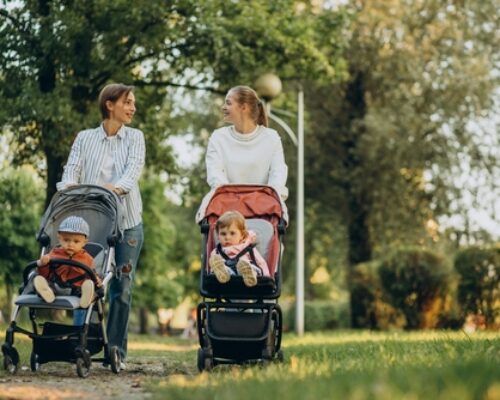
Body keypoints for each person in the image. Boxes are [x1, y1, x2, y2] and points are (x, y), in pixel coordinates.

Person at [57, 83, 145, 366]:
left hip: (128, 222)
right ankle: (81, 344)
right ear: (110, 104)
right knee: (84, 278)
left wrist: (111, 189)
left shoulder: (135, 138)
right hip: (93, 223)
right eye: (127, 102)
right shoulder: (85, 138)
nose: (132, 108)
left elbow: (132, 172)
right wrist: (70, 189)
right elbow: (71, 170)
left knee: (122, 285)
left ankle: (115, 350)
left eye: (133, 103)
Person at [205, 85, 288, 201]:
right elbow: (215, 174)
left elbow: (278, 174)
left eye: (228, 103)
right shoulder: (218, 137)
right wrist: (233, 199)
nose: (223, 107)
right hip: (227, 205)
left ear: (243, 107)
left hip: (263, 207)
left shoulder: (271, 138)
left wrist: (266, 200)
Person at [34, 216, 100, 308]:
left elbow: (93, 274)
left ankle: (86, 297)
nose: (70, 244)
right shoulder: (54, 254)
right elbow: (45, 274)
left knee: (90, 286)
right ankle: (47, 292)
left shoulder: (87, 258)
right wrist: (43, 264)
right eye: (66, 240)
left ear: (84, 242)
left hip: (77, 287)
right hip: (57, 285)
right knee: (45, 281)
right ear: (59, 238)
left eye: (76, 241)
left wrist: (97, 281)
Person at [209, 210, 270, 287]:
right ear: (218, 235)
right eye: (223, 234)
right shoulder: (217, 252)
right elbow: (213, 267)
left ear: (242, 235)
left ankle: (248, 274)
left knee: (249, 266)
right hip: (229, 278)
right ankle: (222, 273)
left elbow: (261, 262)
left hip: (249, 272)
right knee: (221, 266)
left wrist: (266, 277)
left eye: (232, 233)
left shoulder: (248, 248)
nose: (227, 237)